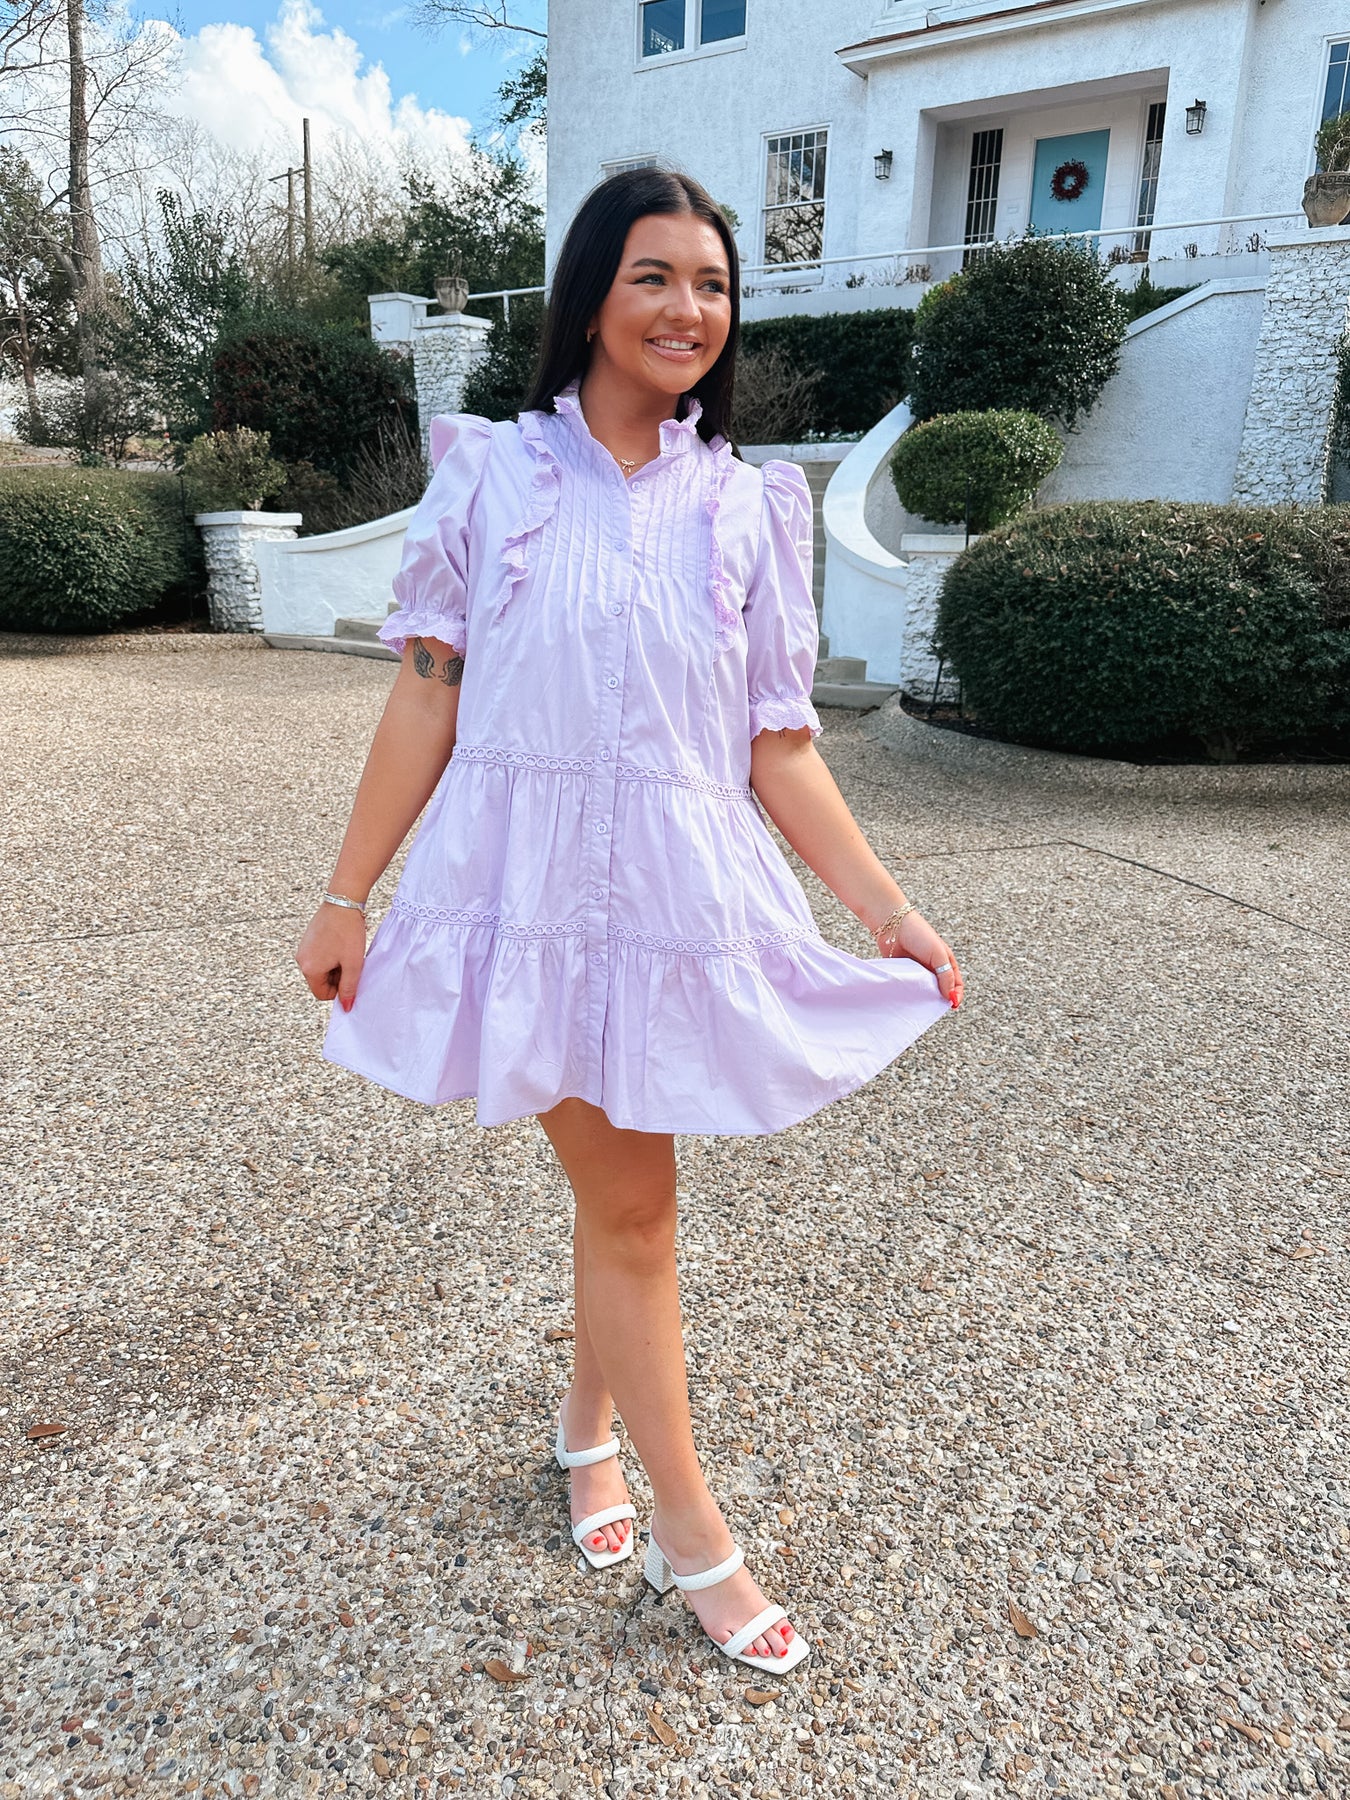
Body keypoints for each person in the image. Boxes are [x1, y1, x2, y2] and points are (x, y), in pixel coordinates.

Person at [295, 167, 963, 1678]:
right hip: (523, 896)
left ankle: (587, 1432)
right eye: (654, 275)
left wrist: (890, 913)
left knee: (628, 1206)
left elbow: (777, 746)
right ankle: (691, 1533)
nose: (687, 309)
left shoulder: (750, 506)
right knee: (637, 1208)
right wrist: (347, 895)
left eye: (712, 285)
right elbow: (426, 697)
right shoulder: (490, 474)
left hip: (673, 902)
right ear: (591, 293)